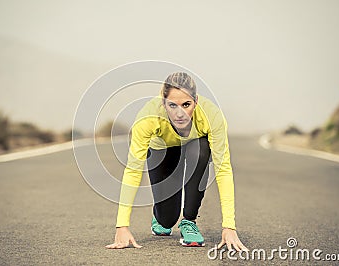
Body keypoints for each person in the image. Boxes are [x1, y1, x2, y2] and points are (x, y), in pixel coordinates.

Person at [106, 72, 248, 250]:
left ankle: (189, 221)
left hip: (195, 147)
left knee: (202, 149)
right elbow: (133, 170)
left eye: (186, 104)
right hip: (163, 150)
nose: (180, 113)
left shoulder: (212, 116)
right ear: (163, 103)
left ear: (195, 101)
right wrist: (122, 226)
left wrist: (229, 227)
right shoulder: (147, 118)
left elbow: (223, 169)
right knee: (167, 221)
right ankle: (160, 217)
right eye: (173, 105)